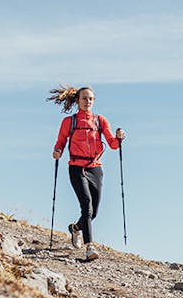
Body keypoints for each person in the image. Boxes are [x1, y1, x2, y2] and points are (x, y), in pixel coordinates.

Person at [48, 85, 125, 261]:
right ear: (77, 100)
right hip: (76, 167)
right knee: (86, 205)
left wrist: (120, 138)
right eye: (84, 98)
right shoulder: (70, 121)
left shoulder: (100, 121)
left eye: (90, 99)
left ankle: (75, 228)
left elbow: (113, 144)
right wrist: (57, 151)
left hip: (95, 168)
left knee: (93, 212)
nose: (87, 101)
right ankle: (90, 247)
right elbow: (60, 142)